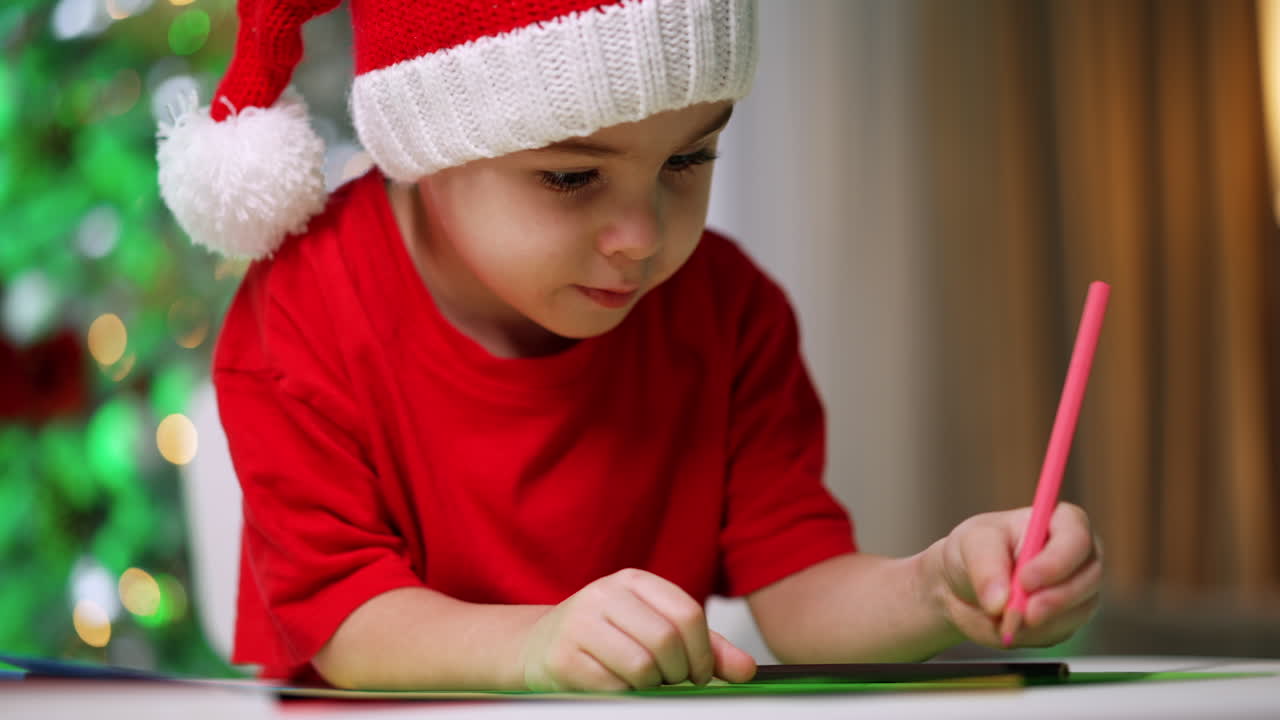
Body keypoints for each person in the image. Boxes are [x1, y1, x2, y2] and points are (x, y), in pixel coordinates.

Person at [156, 0, 1102, 692]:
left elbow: (800, 589)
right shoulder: (299, 318)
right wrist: (535, 646)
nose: (642, 236)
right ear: (426, 151)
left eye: (687, 160)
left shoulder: (729, 314)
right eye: (571, 175)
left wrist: (937, 586)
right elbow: (348, 627)